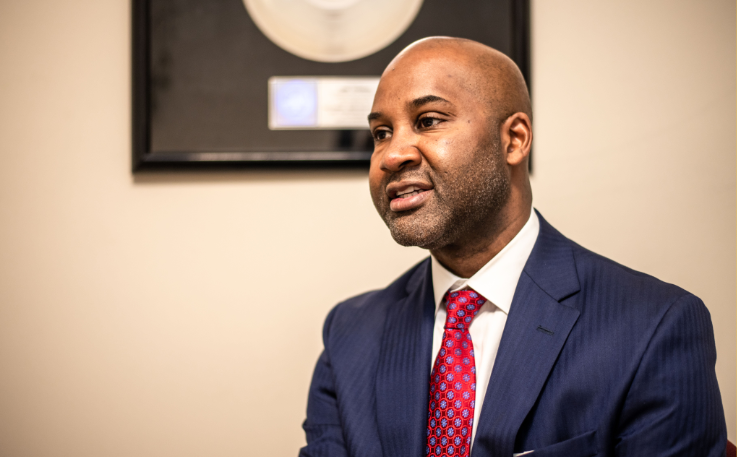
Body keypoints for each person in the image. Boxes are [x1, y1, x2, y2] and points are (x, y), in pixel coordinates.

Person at [299, 37, 726, 457]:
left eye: (428, 121)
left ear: (514, 139)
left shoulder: (653, 327)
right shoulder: (350, 334)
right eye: (381, 132)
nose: (392, 155)